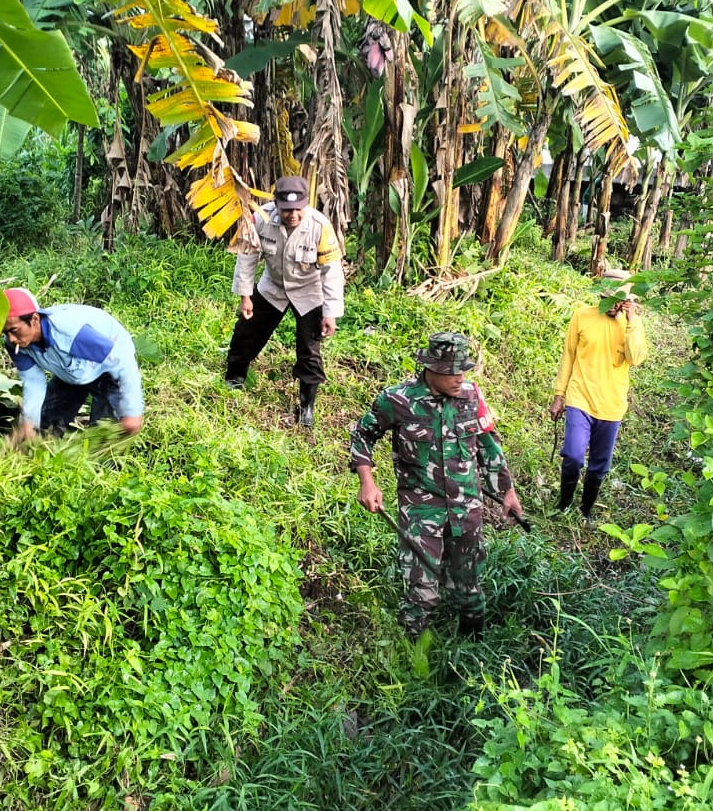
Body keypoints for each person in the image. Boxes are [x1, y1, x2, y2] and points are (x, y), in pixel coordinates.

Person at [350, 332, 523, 639]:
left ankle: (472, 655)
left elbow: (488, 446)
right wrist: (368, 481)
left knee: (469, 589)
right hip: (420, 510)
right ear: (431, 368)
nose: (459, 378)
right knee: (421, 594)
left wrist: (507, 492)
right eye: (451, 371)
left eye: (463, 370)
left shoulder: (472, 397)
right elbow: (363, 435)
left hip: (466, 508)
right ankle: (411, 659)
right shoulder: (398, 400)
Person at [225, 175, 345, 428]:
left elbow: (331, 272)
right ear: (276, 205)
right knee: (246, 332)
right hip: (273, 287)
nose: (292, 215)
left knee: (309, 350)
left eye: (297, 210)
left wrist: (330, 312)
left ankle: (307, 405)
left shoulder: (320, 225)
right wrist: (245, 296)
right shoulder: (261, 218)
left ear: (306, 205)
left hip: (309, 291)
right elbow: (247, 257)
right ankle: (234, 380)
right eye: (286, 210)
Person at [549, 269, 648, 517]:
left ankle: (585, 510)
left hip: (612, 404)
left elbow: (635, 358)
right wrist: (558, 395)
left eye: (622, 298)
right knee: (572, 455)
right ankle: (564, 503)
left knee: (599, 466)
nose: (616, 303)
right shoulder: (583, 316)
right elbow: (568, 356)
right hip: (579, 398)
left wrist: (632, 320)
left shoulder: (631, 324)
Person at [1, 288, 144, 442]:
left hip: (107, 368)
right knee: (43, 432)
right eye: (6, 333)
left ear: (34, 319)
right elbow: (33, 382)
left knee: (104, 440)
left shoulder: (70, 332)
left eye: (14, 330)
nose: (12, 339)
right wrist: (29, 422)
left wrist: (132, 410)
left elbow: (122, 362)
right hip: (71, 373)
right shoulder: (14, 345)